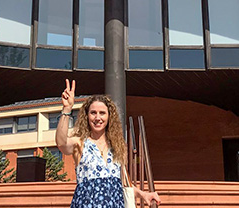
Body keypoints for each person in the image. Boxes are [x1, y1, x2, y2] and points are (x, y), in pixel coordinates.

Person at [56, 79, 162, 208]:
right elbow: (61, 143)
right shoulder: (80, 142)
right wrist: (67, 109)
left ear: (109, 116)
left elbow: (124, 184)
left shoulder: (116, 146)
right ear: (87, 116)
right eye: (93, 113)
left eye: (102, 113)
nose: (98, 118)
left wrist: (144, 195)